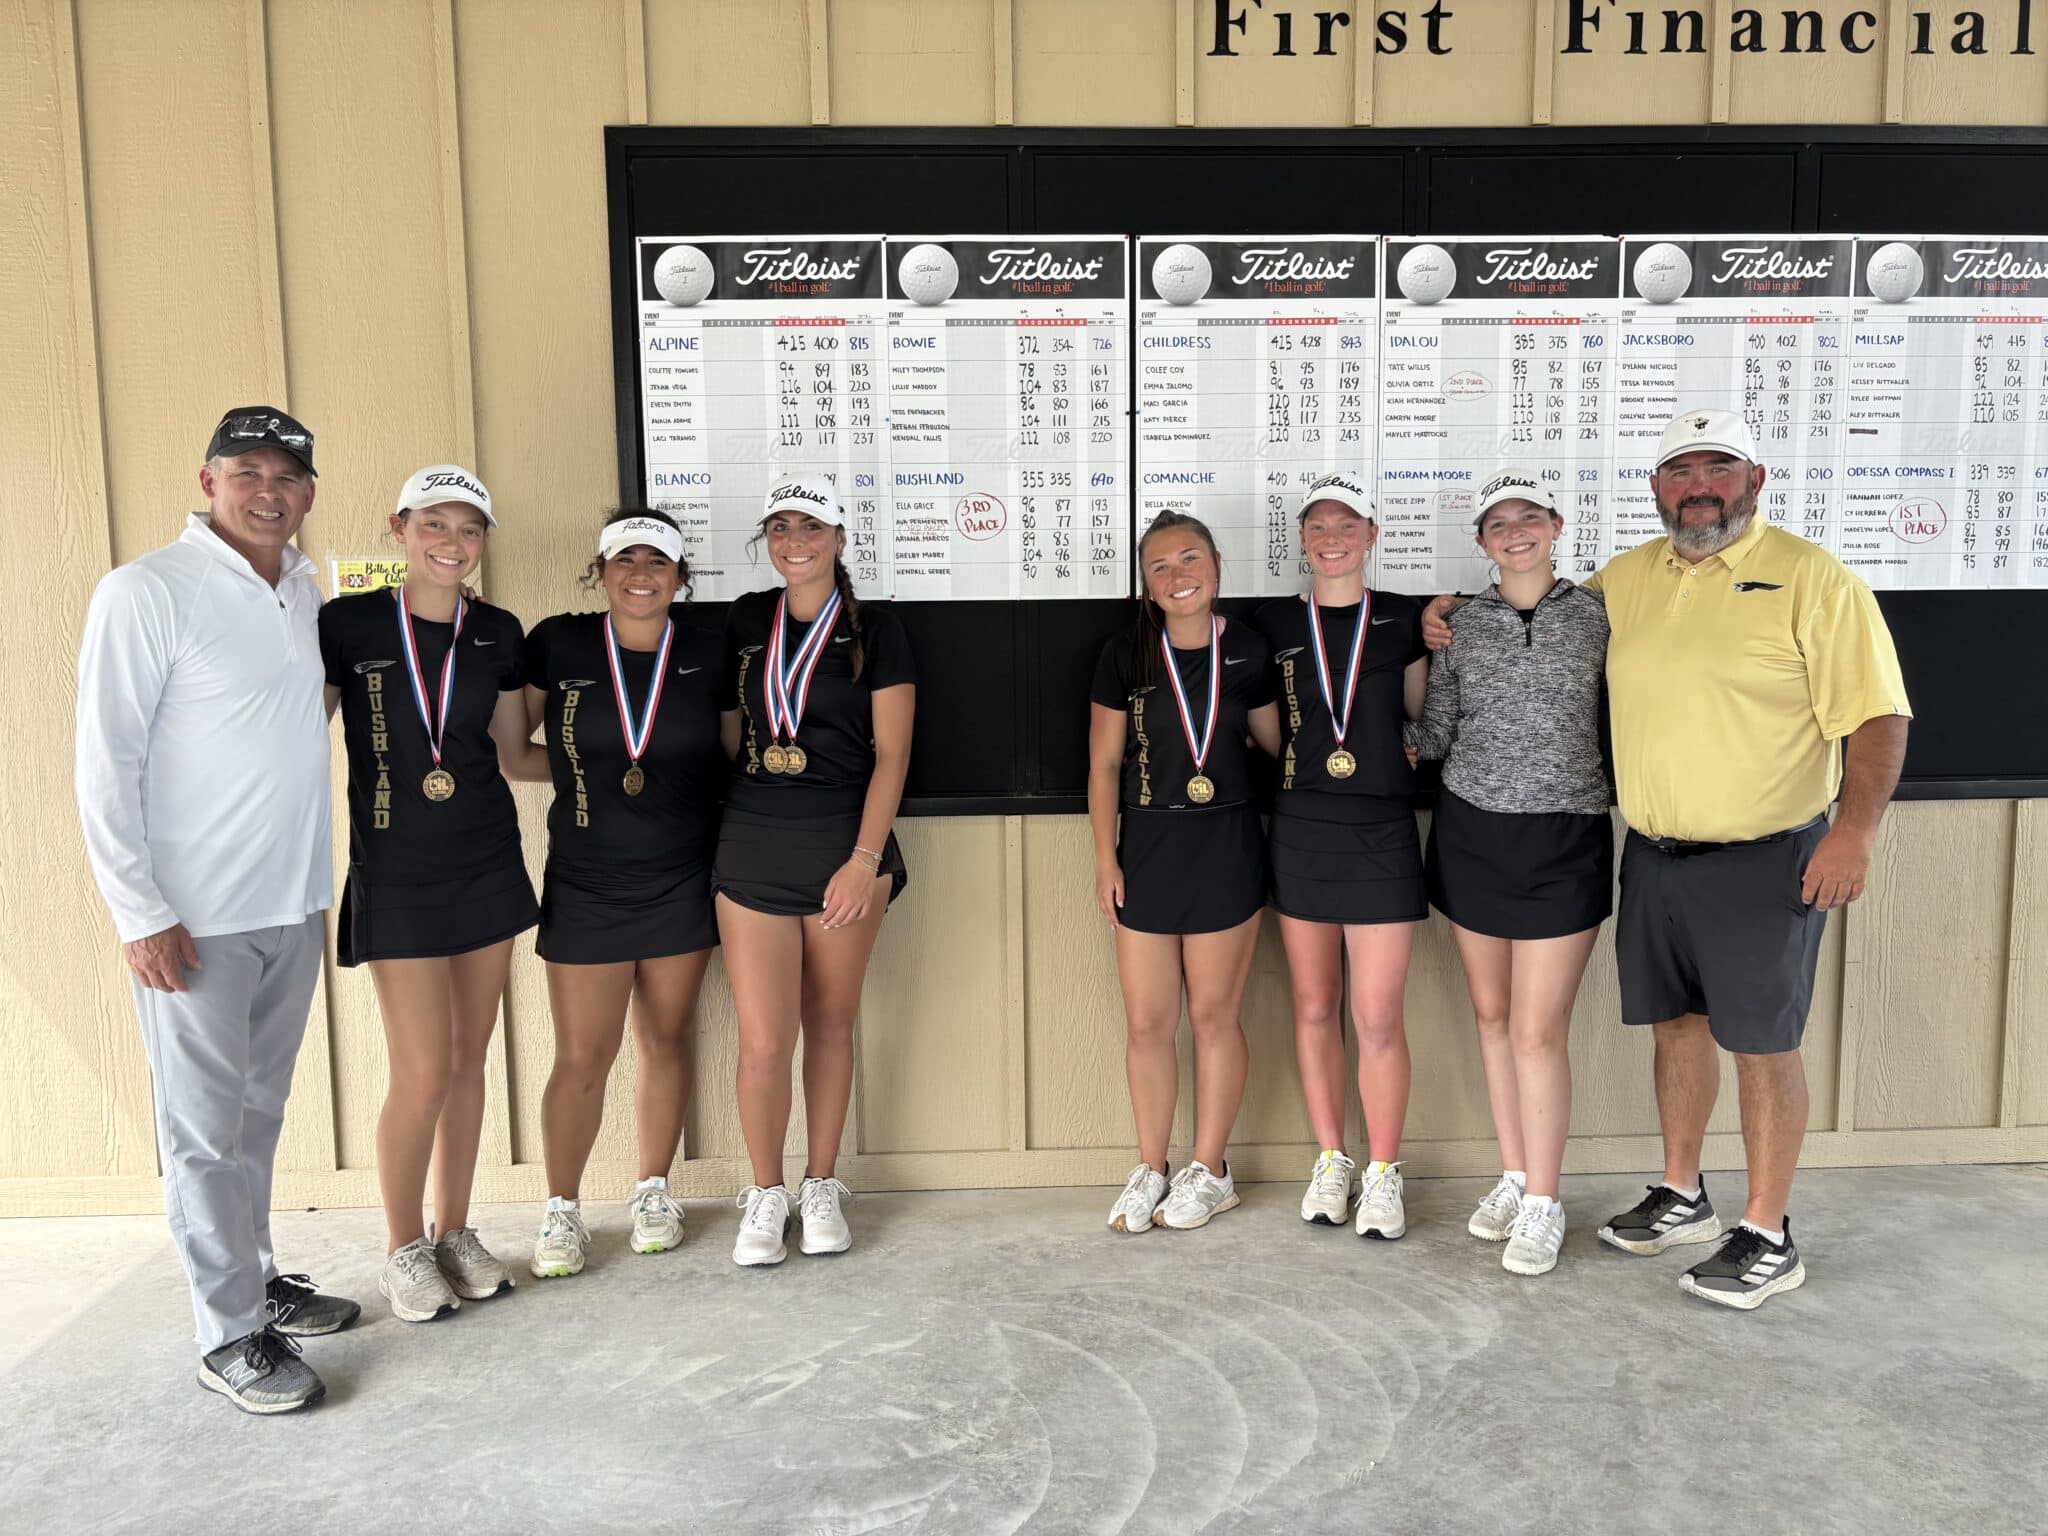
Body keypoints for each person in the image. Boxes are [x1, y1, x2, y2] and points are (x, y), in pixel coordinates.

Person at [1425, 410, 1911, 1309]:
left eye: (1717, 468)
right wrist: (1450, 613)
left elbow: (1879, 715)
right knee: (1677, 1029)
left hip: (1768, 856)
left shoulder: (1814, 579)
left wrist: (1855, 832)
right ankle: (1683, 1192)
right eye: (1679, 472)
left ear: (1755, 478)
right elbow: (1533, 608)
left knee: (1765, 1046)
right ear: (1654, 491)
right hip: (1651, 852)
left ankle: (1767, 1231)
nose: (1699, 486)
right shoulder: (1627, 580)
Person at [75, 406, 358, 1415]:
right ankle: (226, 1336)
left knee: (256, 1114)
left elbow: (293, 714)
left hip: (290, 900)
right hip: (192, 918)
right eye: (246, 471)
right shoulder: (147, 591)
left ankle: (259, 1278)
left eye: (286, 475)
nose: (267, 490)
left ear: (310, 494)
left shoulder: (307, 590)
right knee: (200, 1129)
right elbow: (104, 759)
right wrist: (137, 911)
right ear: (208, 482)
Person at [319, 465, 538, 1322]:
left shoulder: (499, 631)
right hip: (397, 871)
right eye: (435, 526)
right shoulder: (347, 623)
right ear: (399, 528)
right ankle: (402, 1247)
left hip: (487, 859)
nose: (453, 544)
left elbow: (519, 753)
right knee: (419, 1070)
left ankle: (454, 1232)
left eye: (470, 530)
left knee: (467, 1059)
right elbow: (300, 734)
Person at [1405, 469, 1612, 1278]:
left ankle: (1545, 1202)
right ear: (1482, 542)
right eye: (1499, 523)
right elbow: (1438, 732)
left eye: (1530, 517)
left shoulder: (1602, 615)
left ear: (1557, 526)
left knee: (1538, 1029)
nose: (1516, 532)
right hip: (1471, 834)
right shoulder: (1462, 624)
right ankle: (1515, 1175)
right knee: (1493, 1020)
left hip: (1567, 836)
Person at [714, 475, 915, 1267]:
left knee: (831, 1024)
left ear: (839, 537)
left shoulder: (878, 628)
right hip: (756, 840)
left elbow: (894, 754)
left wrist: (864, 861)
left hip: (847, 845)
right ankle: (766, 1193)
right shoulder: (742, 620)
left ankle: (820, 1182)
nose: (794, 540)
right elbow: (734, 734)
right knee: (765, 1038)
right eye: (780, 526)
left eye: (811, 526)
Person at [518, 510, 725, 1277]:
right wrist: (589, 777)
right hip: (586, 878)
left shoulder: (706, 648)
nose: (642, 574)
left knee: (666, 1040)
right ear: (601, 571)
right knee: (583, 1056)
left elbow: (730, 754)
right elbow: (514, 751)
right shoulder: (560, 642)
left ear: (680, 577)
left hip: (681, 875)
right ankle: (562, 1210)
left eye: (659, 562)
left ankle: (652, 1190)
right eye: (625, 560)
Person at [1251, 473, 1429, 1241]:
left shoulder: (1404, 622)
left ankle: (1384, 1173)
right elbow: (1266, 734)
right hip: (1302, 830)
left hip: (1385, 830)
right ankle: (1333, 1159)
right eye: (1318, 526)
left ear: (1371, 536)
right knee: (1315, 1007)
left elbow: (1422, 714)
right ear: (1302, 540)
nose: (1332, 538)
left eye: (1346, 525)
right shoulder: (1271, 626)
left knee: (1377, 1016)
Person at [1093, 512, 1280, 1234]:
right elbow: (1104, 763)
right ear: (1146, 585)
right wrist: (1105, 856)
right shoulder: (1125, 654)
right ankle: (1152, 1165)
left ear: (1218, 564)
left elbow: (1274, 743)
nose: (1178, 576)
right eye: (1161, 567)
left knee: (1211, 1016)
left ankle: (1212, 1169)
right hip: (1145, 845)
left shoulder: (1254, 651)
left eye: (1189, 558)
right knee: (1147, 1021)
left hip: (1226, 839)